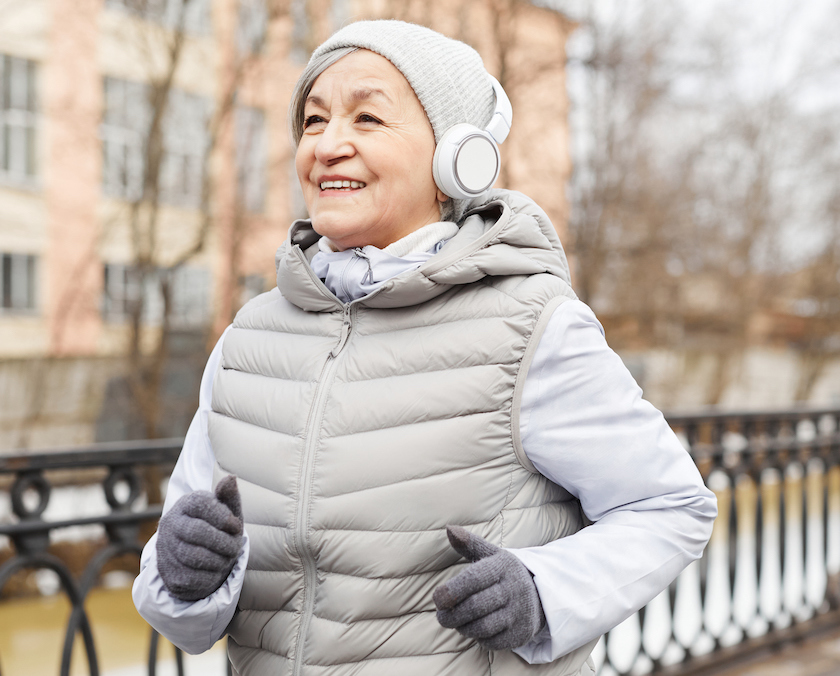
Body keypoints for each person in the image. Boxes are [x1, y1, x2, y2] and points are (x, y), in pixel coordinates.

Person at [132, 19, 717, 676]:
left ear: (454, 162)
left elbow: (669, 507)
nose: (328, 145)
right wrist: (184, 577)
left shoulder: (530, 328)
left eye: (367, 119)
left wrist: (541, 594)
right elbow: (181, 609)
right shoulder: (250, 338)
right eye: (315, 121)